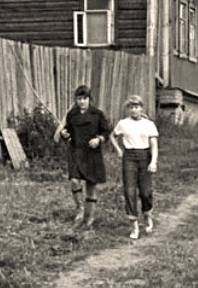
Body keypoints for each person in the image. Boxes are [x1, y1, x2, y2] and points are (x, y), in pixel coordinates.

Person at [53, 85, 113, 228]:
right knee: (74, 181)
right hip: (76, 151)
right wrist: (64, 134)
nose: (82, 102)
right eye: (79, 99)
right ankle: (80, 209)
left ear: (89, 99)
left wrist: (99, 140)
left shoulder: (97, 114)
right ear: (76, 100)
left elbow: (106, 133)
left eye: (84, 98)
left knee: (91, 185)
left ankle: (89, 218)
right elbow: (66, 131)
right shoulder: (72, 115)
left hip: (92, 153)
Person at [111, 94, 160, 240]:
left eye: (137, 107)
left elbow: (154, 145)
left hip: (145, 157)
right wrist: (119, 150)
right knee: (129, 191)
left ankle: (147, 216)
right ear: (128, 109)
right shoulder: (123, 123)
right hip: (129, 158)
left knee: (145, 192)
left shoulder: (149, 124)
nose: (134, 110)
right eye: (131, 107)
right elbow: (112, 136)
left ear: (141, 108)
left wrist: (153, 162)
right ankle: (134, 225)